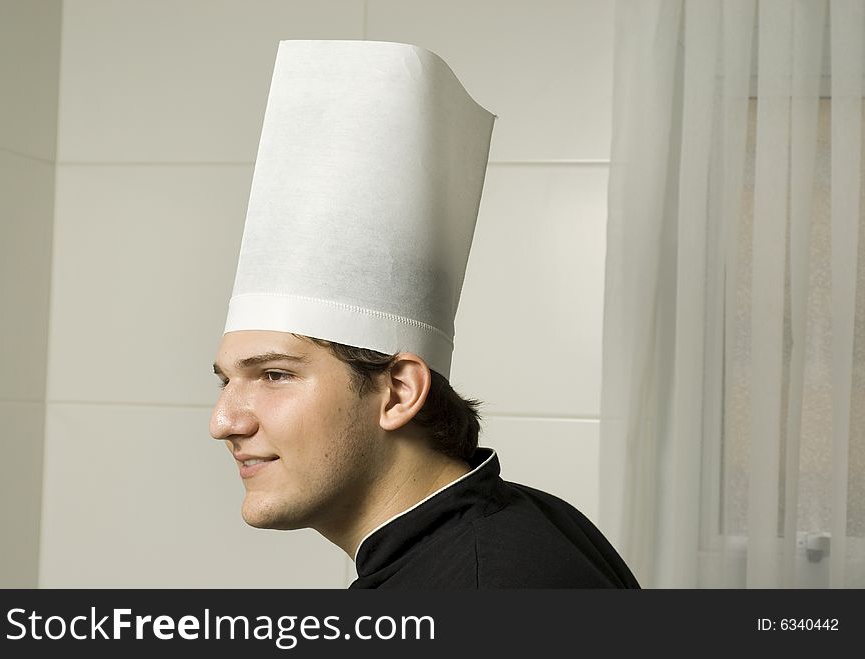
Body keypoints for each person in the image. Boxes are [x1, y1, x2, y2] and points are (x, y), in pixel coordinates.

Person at [210, 39, 639, 589]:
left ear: (399, 392)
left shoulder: (483, 587)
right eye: (226, 381)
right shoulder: (523, 524)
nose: (224, 421)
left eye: (274, 374)